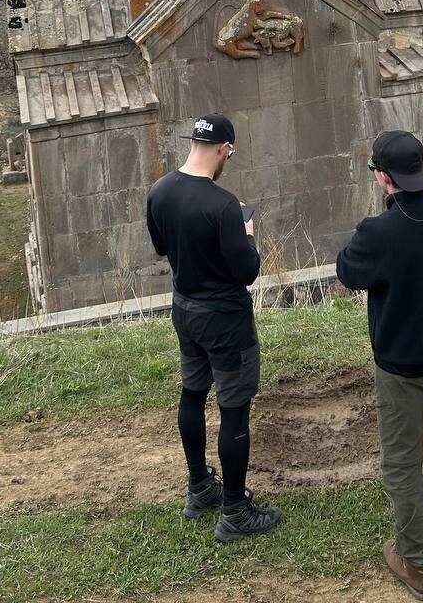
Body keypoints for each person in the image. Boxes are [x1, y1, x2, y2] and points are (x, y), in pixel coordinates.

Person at [336, 130, 423, 600]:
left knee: (402, 460)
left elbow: (347, 272)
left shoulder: (377, 233)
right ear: (420, 169)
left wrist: (381, 218)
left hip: (400, 363)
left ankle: (415, 560)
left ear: (383, 176)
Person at [146, 112, 282, 543]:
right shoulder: (224, 206)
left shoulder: (160, 190)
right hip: (225, 320)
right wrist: (248, 235)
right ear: (224, 150)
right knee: (234, 408)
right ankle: (236, 512)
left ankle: (200, 488)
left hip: (185, 310)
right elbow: (247, 271)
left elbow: (162, 248)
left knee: (192, 393)